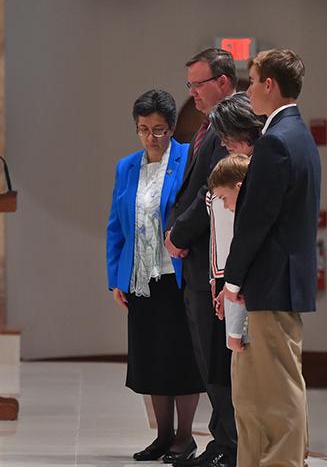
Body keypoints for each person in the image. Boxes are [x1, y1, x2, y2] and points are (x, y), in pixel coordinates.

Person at [220, 49, 319, 466]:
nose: (247, 89)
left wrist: (233, 279)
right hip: (279, 281)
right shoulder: (295, 134)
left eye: (251, 80)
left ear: (269, 86)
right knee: (258, 391)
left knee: (278, 393)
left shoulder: (278, 141)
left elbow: (257, 221)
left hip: (272, 282)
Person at [106, 89, 204, 461]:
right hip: (140, 276)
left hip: (177, 276)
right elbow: (117, 225)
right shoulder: (126, 166)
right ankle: (162, 435)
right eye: (144, 129)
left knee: (181, 358)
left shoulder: (188, 159)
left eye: (159, 130)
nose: (152, 137)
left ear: (172, 128)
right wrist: (116, 276)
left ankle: (184, 436)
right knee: (151, 359)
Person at [164, 48, 237, 467]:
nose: (191, 94)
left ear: (223, 82)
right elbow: (191, 191)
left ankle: (229, 444)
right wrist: (176, 228)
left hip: (211, 259)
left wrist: (178, 232)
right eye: (189, 84)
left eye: (198, 84)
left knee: (217, 358)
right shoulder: (207, 126)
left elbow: (212, 193)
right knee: (206, 357)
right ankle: (221, 439)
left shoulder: (229, 124)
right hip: (195, 260)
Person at [205, 93, 265, 353]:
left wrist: (231, 287)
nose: (222, 141)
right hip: (232, 283)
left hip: (250, 290)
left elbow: (246, 241)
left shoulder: (258, 172)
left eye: (227, 134)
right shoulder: (239, 167)